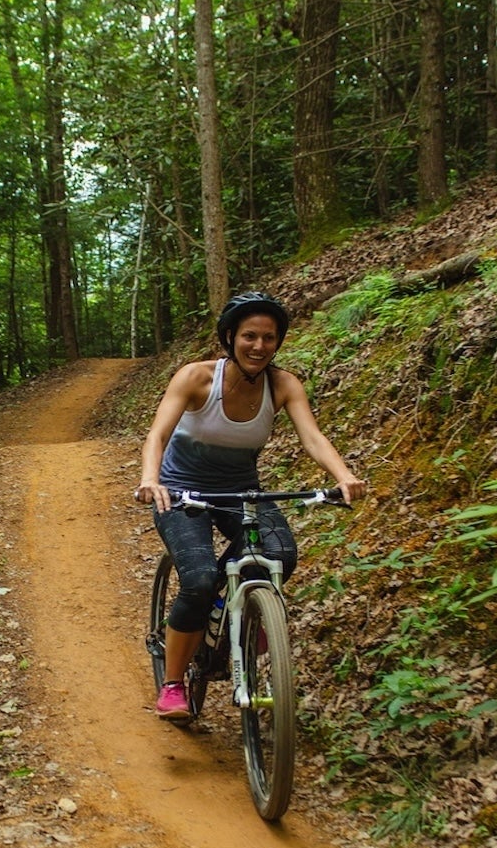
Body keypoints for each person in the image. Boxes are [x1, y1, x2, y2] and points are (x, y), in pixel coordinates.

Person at [134, 291, 367, 721]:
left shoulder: (283, 385)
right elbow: (157, 435)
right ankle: (171, 685)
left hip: (241, 490)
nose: (259, 346)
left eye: (269, 338)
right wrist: (151, 478)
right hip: (182, 490)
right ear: (230, 337)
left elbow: (312, 437)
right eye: (249, 336)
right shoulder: (196, 378)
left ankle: (235, 612)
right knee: (200, 579)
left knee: (279, 554)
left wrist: (343, 475)